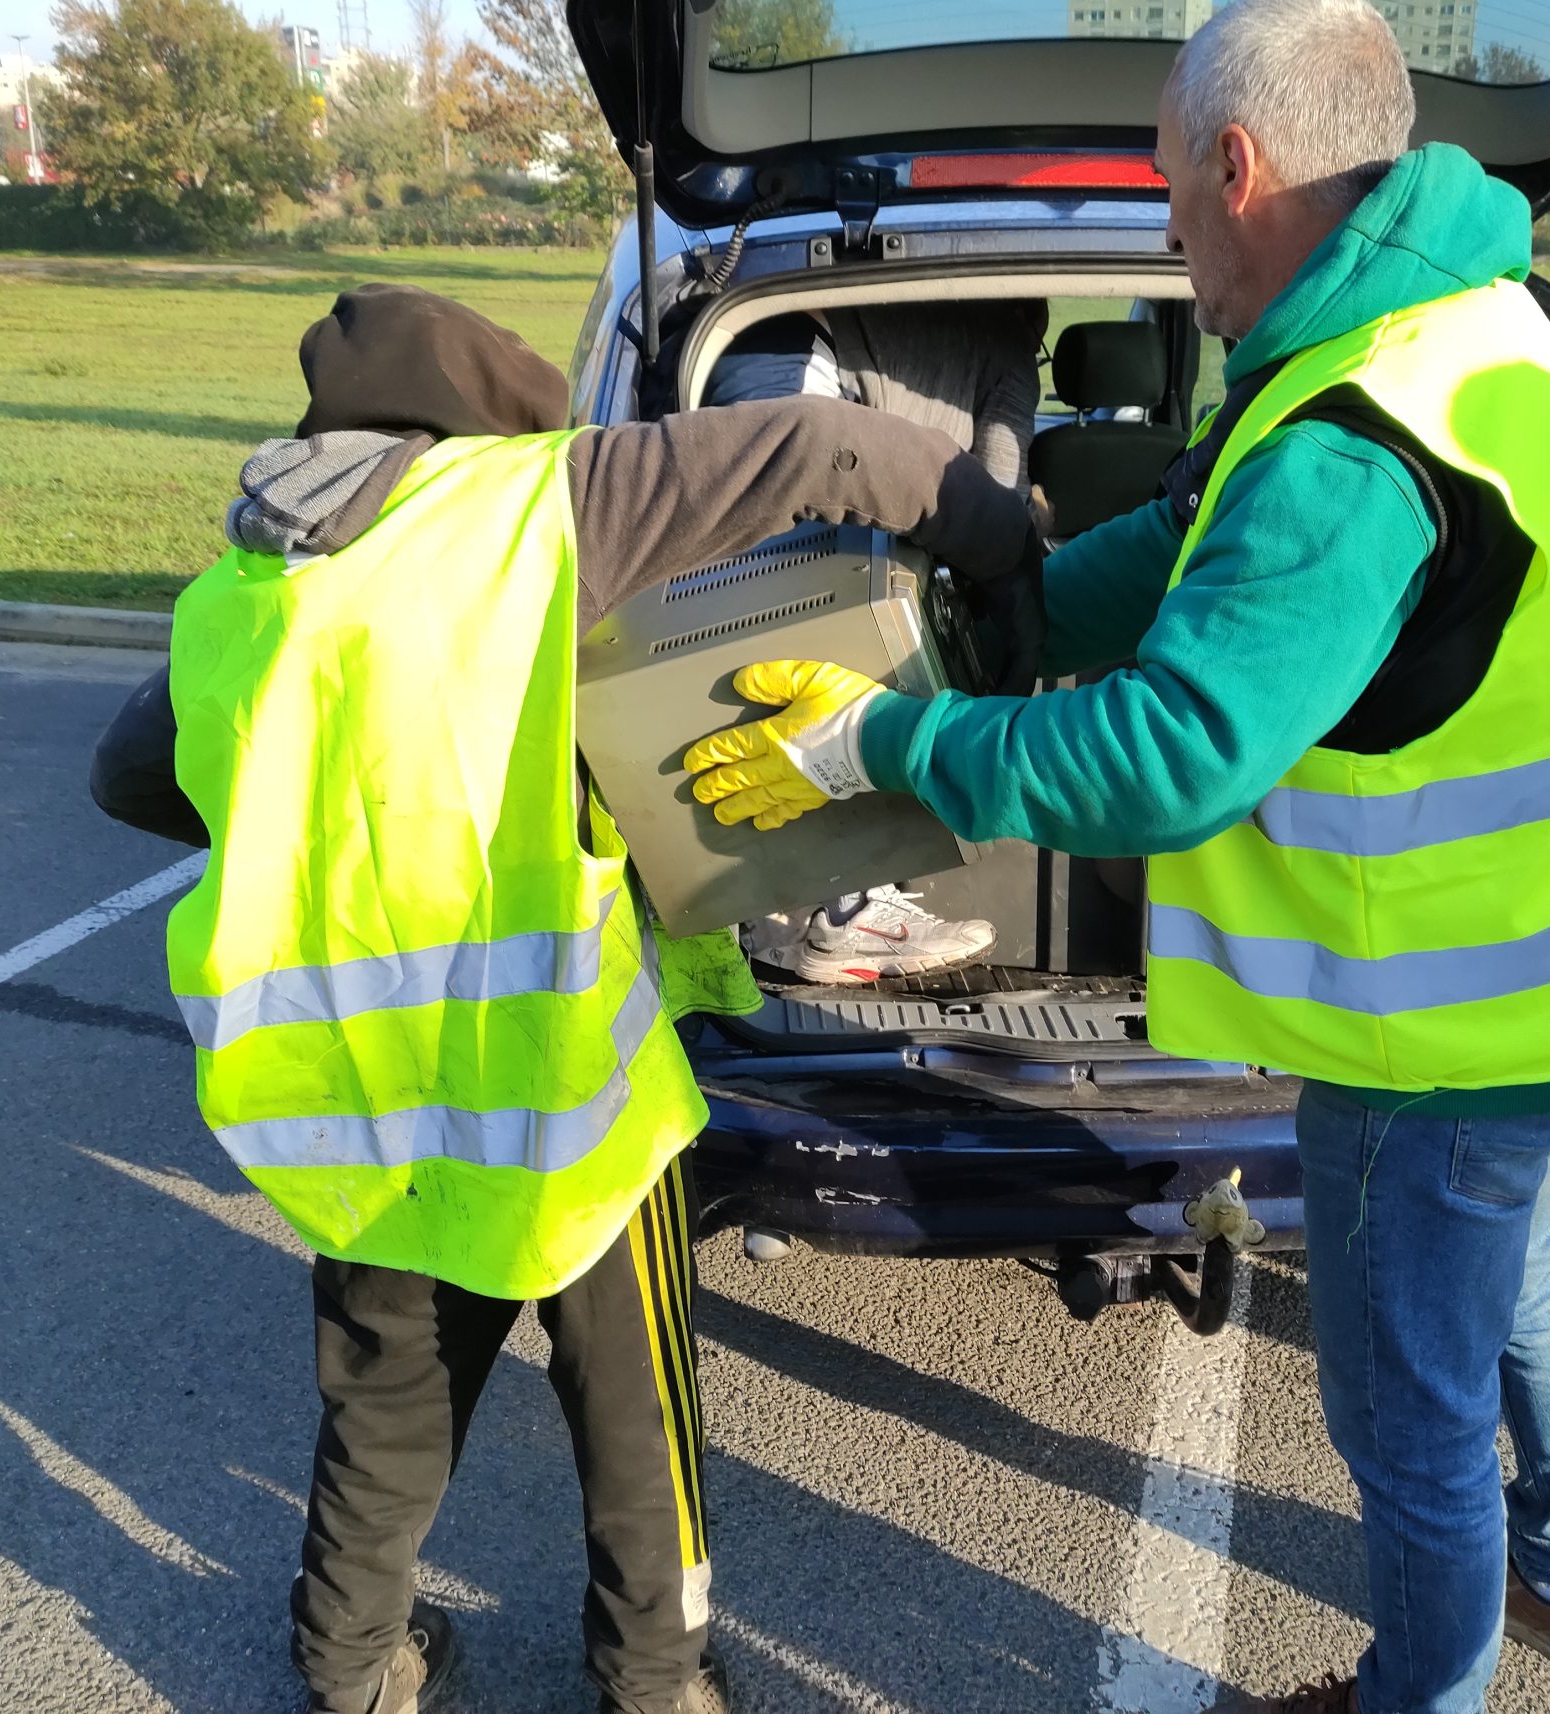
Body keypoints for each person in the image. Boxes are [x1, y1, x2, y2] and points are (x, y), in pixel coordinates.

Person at [682, 0, 1550, 1714]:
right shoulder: (1477, 329)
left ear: (1240, 162)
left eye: (1166, 192)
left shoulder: (1361, 443)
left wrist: (887, 740)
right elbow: (1206, 521)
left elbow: (1175, 753)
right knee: (1521, 1292)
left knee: (1409, 1422)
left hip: (1427, 1036)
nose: (1170, 234)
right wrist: (1013, 616)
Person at [90, 284, 1038, 1714]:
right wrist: (1009, 557)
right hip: (555, 1083)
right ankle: (655, 1682)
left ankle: (352, 1671)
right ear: (492, 413)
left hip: (351, 1092)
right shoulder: (541, 503)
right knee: (631, 1405)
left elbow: (129, 774)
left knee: (385, 1400)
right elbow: (840, 452)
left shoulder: (249, 579)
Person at [701, 299, 1046, 984]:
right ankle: (831, 913)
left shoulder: (972, 311)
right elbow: (1000, 495)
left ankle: (781, 906)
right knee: (816, 621)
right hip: (799, 363)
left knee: (794, 633)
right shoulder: (1010, 344)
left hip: (768, 353)